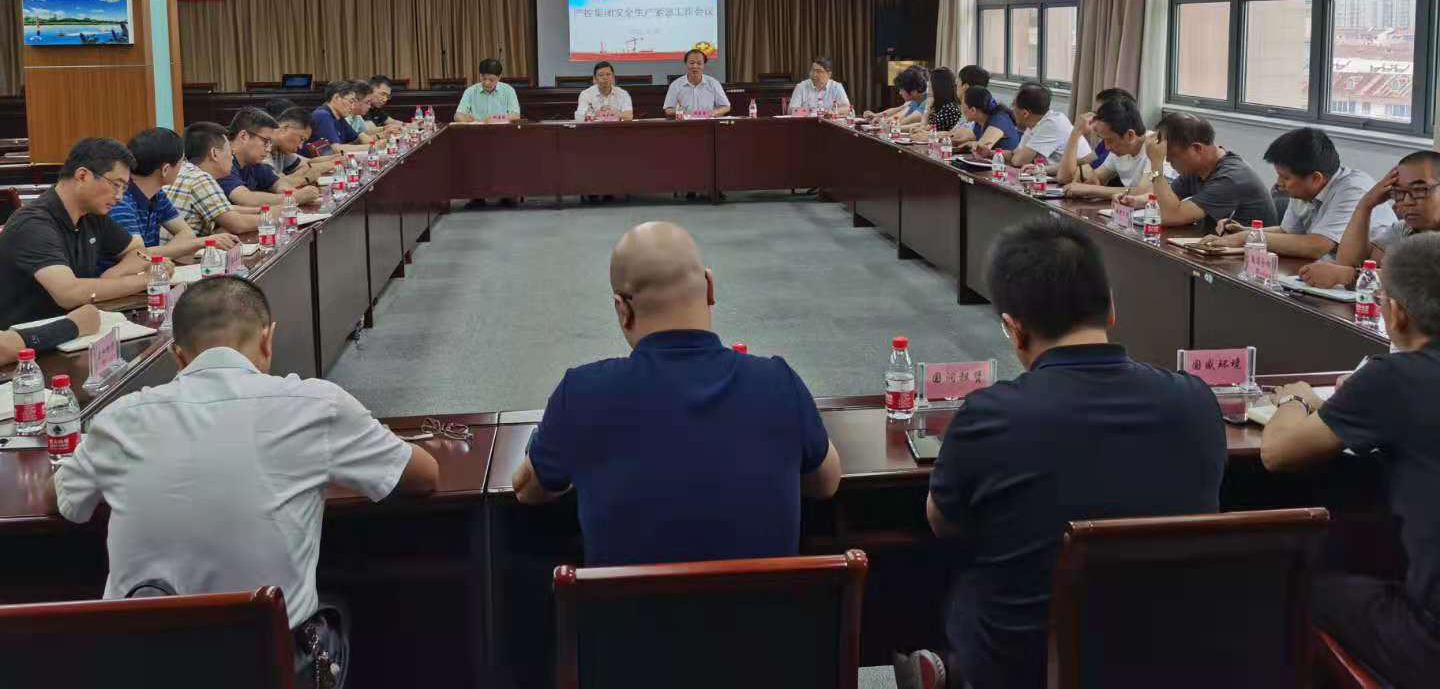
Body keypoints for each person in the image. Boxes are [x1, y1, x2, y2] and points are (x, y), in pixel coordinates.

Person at [47, 276, 438, 679]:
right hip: (264, 666)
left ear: (178, 356)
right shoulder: (317, 405)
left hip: (138, 668)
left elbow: (62, 499)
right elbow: (424, 476)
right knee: (345, 610)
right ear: (268, 339)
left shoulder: (119, 418)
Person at [897, 217, 1225, 689]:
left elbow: (943, 521)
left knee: (931, 568)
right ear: (1111, 310)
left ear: (1013, 330)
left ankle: (945, 667)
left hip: (1027, 666)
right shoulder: (1195, 400)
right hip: (1173, 653)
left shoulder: (991, 414)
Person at [512, 221, 841, 565]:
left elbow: (527, 489)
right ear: (710, 287)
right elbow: (827, 483)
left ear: (622, 309)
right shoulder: (778, 382)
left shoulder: (581, 393)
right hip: (767, 603)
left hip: (627, 604)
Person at [1260, 233, 1440, 689]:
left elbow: (1277, 453)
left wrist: (1295, 401)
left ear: (1396, 312)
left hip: (1429, 642)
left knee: (1300, 587)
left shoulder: (1395, 378)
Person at [0, 138, 140, 361]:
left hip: (75, 337)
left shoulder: (91, 215)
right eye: (116, 184)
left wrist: (115, 274)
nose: (120, 196)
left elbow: (137, 250)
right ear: (82, 175)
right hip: (28, 350)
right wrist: (147, 280)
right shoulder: (33, 224)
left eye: (124, 188)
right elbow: (68, 293)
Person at [1200, 128, 1395, 259]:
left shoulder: (1353, 189)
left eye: (1285, 177)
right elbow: (1288, 232)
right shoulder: (1304, 189)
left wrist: (1246, 238)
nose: (1279, 183)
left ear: (1315, 178)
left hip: (1370, 276)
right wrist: (1245, 231)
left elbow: (1316, 246)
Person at [1299, 149, 1440, 289]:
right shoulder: (1404, 229)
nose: (1407, 201)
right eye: (1398, 192)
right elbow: (1349, 264)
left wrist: (1348, 275)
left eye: (1419, 190)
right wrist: (1365, 205)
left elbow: (1426, 280)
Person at [1115, 112, 1276, 229]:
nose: (1168, 161)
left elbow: (1169, 216)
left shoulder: (1230, 177)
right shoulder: (1198, 168)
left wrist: (1156, 164)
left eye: (1171, 156)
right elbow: (1168, 198)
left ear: (1197, 149)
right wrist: (1137, 201)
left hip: (1248, 257)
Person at [105, 127, 237, 267]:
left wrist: (157, 258)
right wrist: (203, 242)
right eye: (182, 161)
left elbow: (186, 233)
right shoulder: (120, 200)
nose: (184, 166)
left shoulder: (157, 195)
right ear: (165, 169)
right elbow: (137, 256)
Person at [1057, 96, 1175, 200]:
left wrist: (1090, 189)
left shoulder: (1154, 146)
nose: (1106, 147)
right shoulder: (1119, 150)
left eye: (1110, 140)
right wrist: (1085, 172)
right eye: (1104, 140)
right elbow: (1090, 179)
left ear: (1130, 135)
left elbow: (1144, 191)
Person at [165, 123, 262, 237]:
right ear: (214, 153)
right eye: (231, 152)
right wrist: (273, 217)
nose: (232, 158)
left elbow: (224, 209)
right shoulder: (201, 178)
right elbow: (238, 224)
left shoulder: (184, 170)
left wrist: (261, 210)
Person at [220, 107, 320, 208]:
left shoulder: (253, 161)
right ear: (243, 136)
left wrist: (298, 194)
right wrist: (295, 198)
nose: (268, 149)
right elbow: (244, 198)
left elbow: (278, 184)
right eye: (265, 142)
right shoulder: (222, 160)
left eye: (270, 143)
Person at [1009, 81, 1088, 168]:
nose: (1011, 108)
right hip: (1054, 171)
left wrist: (1019, 156)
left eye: (1013, 105)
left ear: (1025, 113)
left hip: (1079, 172)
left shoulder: (1052, 123)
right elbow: (1015, 154)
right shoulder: (1034, 122)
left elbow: (1018, 161)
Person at [269, 106, 339, 186]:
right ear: (285, 128)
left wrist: (336, 159)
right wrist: (306, 177)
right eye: (301, 139)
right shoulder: (262, 148)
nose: (300, 146)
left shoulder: (280, 149)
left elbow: (308, 163)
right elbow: (277, 184)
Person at [662, 49, 731, 118]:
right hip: (685, 123)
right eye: (692, 63)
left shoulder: (713, 83)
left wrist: (714, 112)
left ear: (704, 65)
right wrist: (681, 111)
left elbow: (726, 107)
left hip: (708, 122)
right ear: (686, 64)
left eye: (699, 63)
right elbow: (668, 110)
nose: (695, 66)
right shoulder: (675, 85)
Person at [454, 59, 522, 123]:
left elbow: (516, 116)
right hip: (477, 129)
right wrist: (473, 120)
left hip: (501, 130)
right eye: (483, 79)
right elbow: (457, 116)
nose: (487, 83)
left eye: (491, 80)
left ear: (499, 77)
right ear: (480, 75)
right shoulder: (470, 91)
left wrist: (494, 118)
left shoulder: (508, 90)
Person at [308, 81, 370, 151]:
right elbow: (335, 148)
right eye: (351, 102)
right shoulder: (322, 115)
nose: (352, 107)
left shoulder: (339, 117)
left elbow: (357, 138)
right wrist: (371, 147)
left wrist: (373, 142)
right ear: (337, 97)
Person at [959, 85, 1020, 151]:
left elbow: (980, 148)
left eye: (962, 104)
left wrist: (969, 144)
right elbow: (969, 139)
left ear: (973, 110)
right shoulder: (979, 122)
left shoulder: (999, 121)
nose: (960, 107)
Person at [916, 67, 964, 134]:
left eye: (930, 81)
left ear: (938, 86)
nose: (928, 84)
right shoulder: (940, 105)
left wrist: (927, 108)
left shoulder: (949, 109)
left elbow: (923, 132)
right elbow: (924, 128)